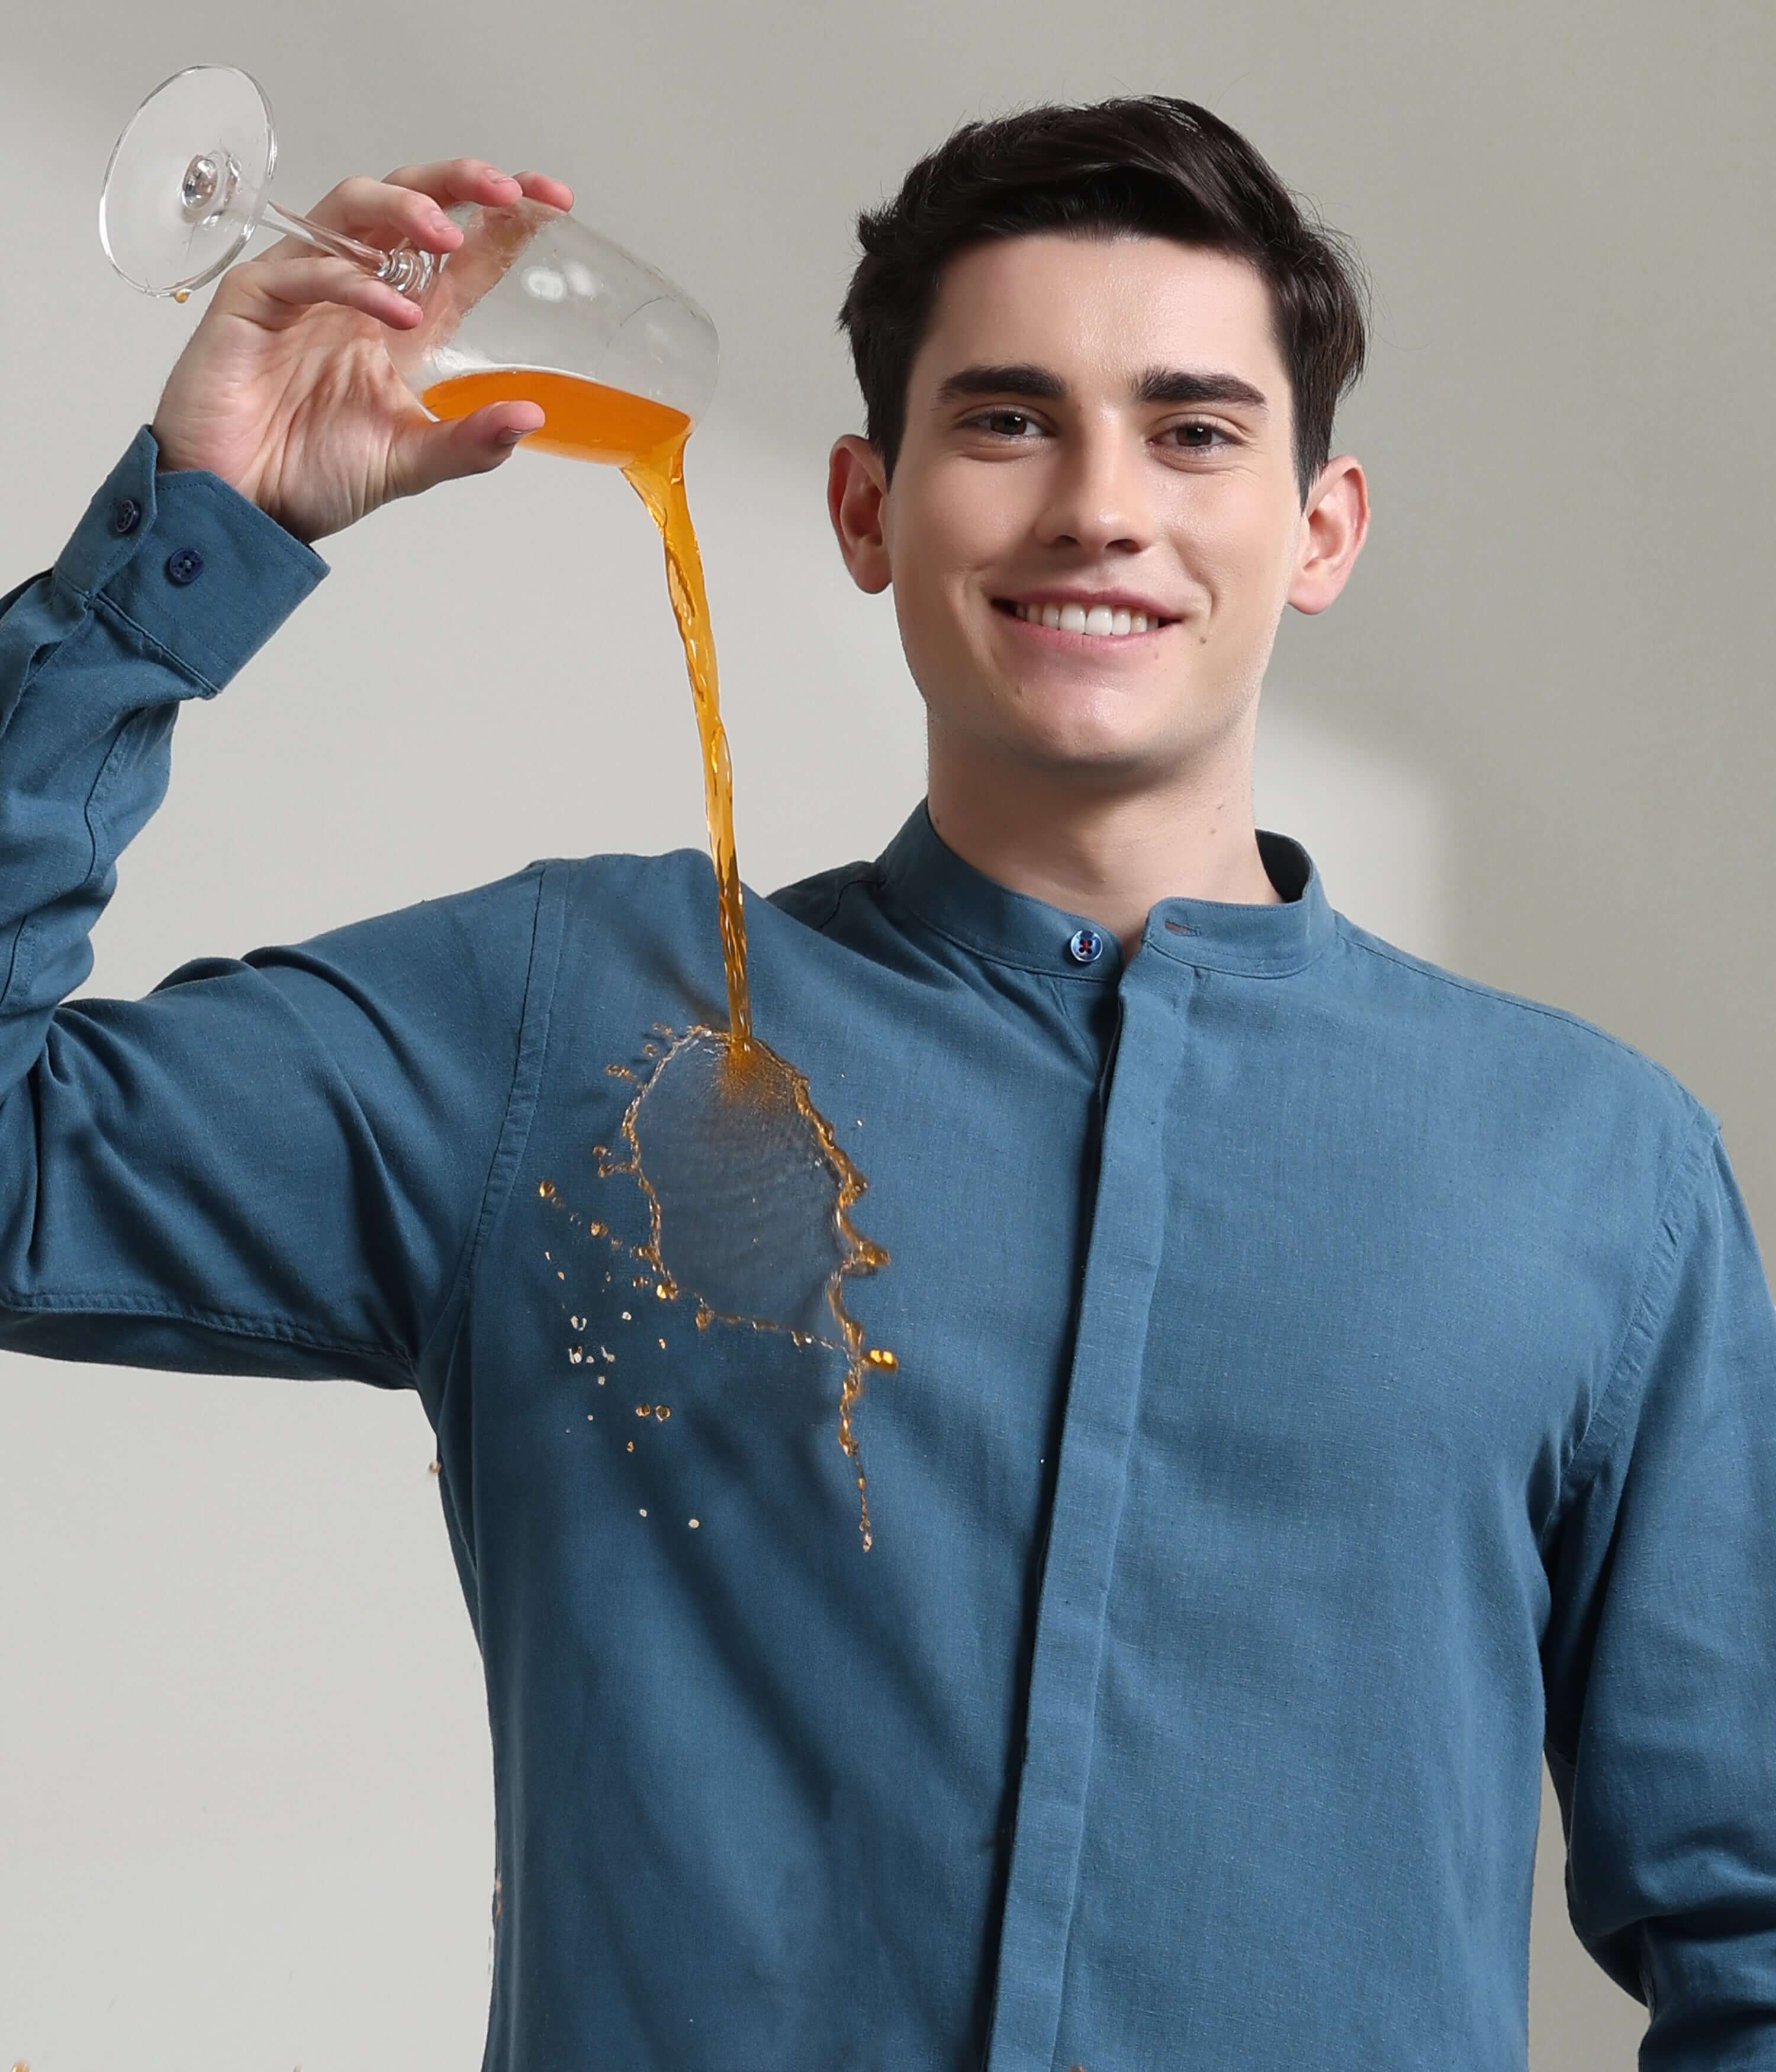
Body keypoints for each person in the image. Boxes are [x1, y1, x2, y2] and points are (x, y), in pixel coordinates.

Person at [2, 93, 1772, 2072]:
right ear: (865, 505)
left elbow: (1754, 1931)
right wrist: (187, 539)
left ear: (1321, 528)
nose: (1102, 504)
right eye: (1008, 419)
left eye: (1195, 430)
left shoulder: (1596, 1178)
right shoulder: (572, 1024)